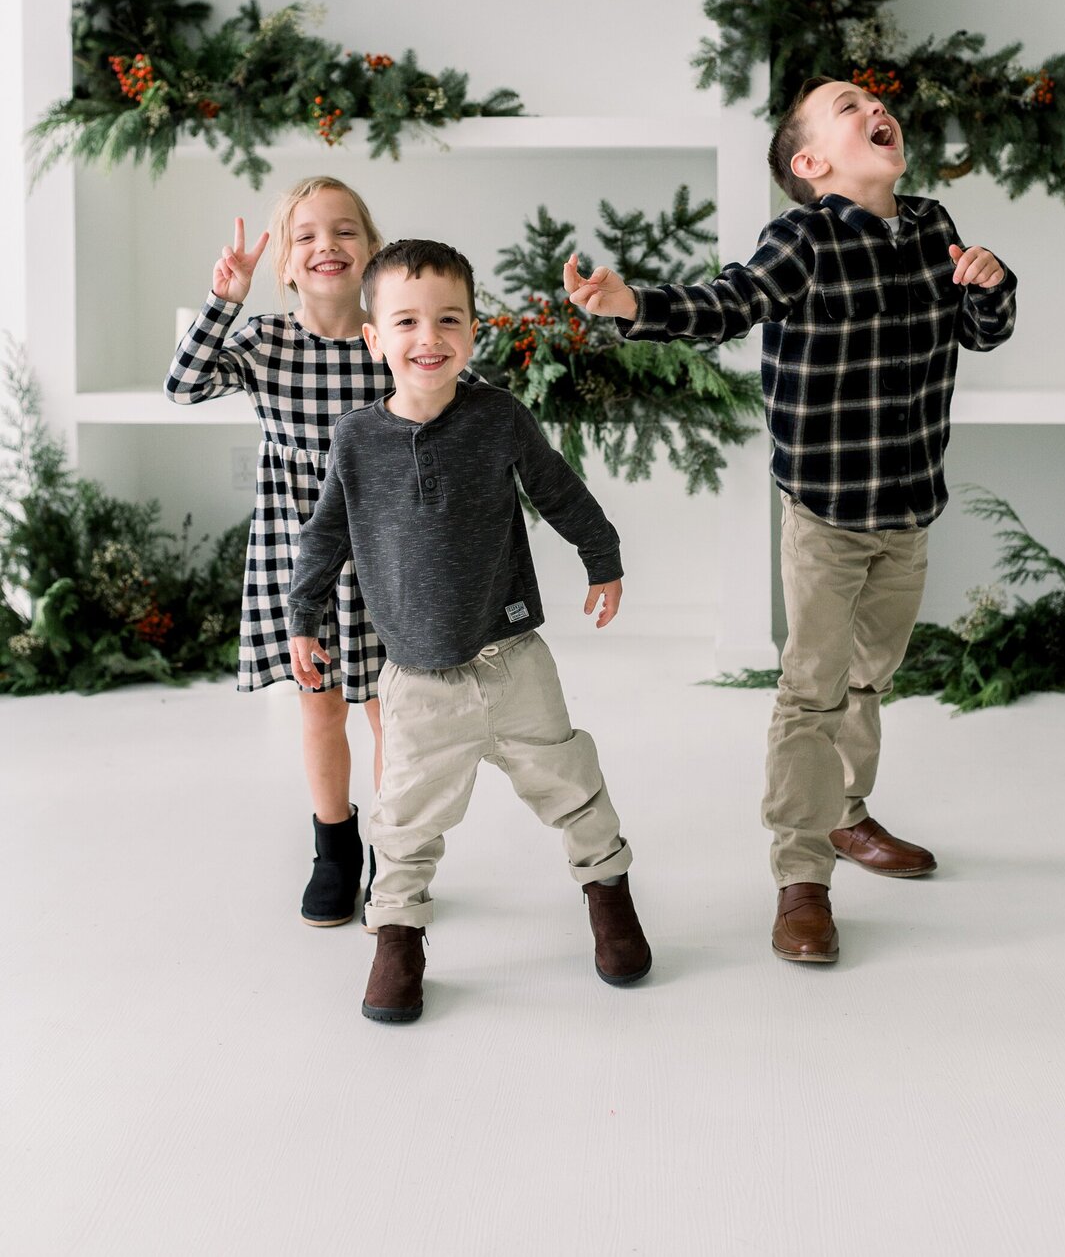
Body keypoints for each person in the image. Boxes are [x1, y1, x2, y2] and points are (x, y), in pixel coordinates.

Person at [565, 77, 1017, 965]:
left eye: (877, 103)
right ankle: (800, 877)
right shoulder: (803, 238)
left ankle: (847, 816)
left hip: (911, 505)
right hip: (827, 514)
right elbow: (729, 302)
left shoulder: (933, 225)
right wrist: (632, 308)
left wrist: (992, 284)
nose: (876, 108)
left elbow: (983, 331)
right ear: (811, 164)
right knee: (812, 688)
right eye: (848, 107)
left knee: (870, 677)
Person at [287, 236, 651, 1024]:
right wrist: (302, 617)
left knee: (571, 782)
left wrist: (602, 556)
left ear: (473, 332)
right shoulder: (356, 439)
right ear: (374, 337)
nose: (431, 338)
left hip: (512, 654)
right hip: (416, 677)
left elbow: (559, 488)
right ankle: (398, 937)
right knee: (405, 817)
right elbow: (325, 535)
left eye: (449, 319)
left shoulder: (497, 418)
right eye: (408, 322)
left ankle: (609, 896)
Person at [165, 176, 388, 928]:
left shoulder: (388, 337)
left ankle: (400, 850)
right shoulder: (263, 340)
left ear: (372, 252)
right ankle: (336, 852)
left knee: (396, 711)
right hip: (302, 557)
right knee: (322, 708)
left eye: (345, 231)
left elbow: (460, 395)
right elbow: (184, 386)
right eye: (306, 236)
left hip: (390, 551)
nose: (327, 245)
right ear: (288, 265)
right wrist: (223, 299)